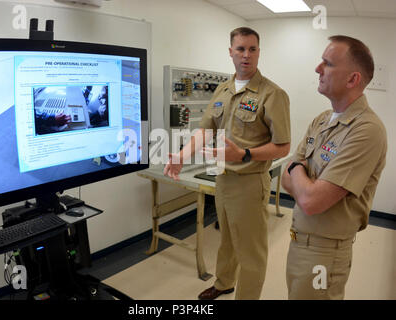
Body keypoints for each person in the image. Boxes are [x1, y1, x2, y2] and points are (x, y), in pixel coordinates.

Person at [164, 27, 291, 300]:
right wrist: (182, 156)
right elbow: (206, 130)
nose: (246, 55)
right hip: (223, 179)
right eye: (241, 49)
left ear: (259, 52)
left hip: (250, 182)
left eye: (252, 49)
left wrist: (245, 154)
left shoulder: (272, 94)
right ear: (231, 52)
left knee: (251, 251)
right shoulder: (223, 89)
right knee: (228, 240)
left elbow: (283, 146)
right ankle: (224, 283)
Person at [282, 35, 387, 300]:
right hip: (298, 242)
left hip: (324, 254)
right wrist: (299, 173)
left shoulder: (367, 130)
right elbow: (284, 180)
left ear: (352, 79)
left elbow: (311, 201)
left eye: (327, 64)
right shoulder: (322, 120)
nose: (318, 69)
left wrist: (297, 167)